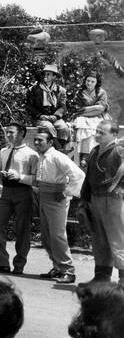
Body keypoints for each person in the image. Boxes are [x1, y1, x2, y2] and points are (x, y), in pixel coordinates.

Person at [31, 124, 86, 285]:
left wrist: (65, 192)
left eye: (40, 140)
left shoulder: (57, 157)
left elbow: (79, 175)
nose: (36, 143)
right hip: (44, 196)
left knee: (57, 234)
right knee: (47, 235)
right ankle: (57, 266)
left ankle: (68, 270)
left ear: (50, 143)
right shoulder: (41, 156)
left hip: (56, 199)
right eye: (35, 140)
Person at [0, 121, 40, 276]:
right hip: (6, 192)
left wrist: (20, 177)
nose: (8, 135)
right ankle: (2, 263)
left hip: (24, 192)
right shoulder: (3, 151)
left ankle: (19, 264)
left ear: (22, 134)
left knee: (22, 229)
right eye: (7, 132)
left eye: (12, 132)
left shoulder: (31, 154)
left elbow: (36, 179)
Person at [81, 118, 124, 286]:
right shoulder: (94, 150)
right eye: (96, 131)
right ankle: (101, 278)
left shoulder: (120, 150)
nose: (96, 134)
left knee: (119, 240)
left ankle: (123, 282)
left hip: (114, 201)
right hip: (95, 199)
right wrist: (84, 200)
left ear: (114, 134)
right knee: (99, 240)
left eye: (101, 132)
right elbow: (88, 178)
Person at [71, 73, 110, 167]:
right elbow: (77, 108)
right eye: (88, 81)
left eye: (92, 81)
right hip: (82, 116)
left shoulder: (101, 92)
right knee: (83, 128)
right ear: (85, 81)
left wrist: (85, 109)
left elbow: (101, 108)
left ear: (96, 83)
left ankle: (93, 155)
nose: (89, 83)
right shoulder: (80, 92)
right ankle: (83, 156)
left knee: (95, 127)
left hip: (98, 115)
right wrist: (93, 108)